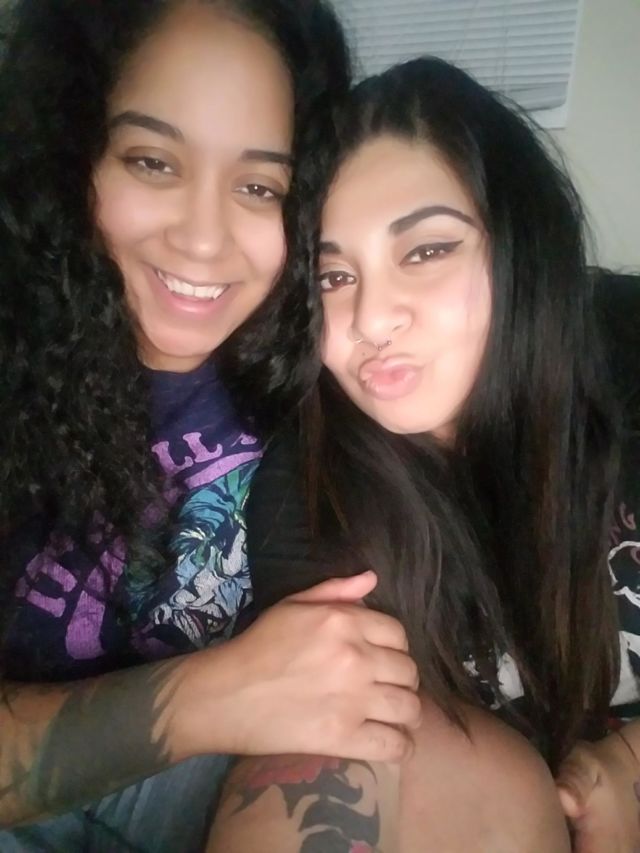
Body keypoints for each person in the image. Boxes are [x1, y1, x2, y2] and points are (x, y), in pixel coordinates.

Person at [0, 2, 422, 850]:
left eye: (259, 186)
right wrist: (208, 695)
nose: (203, 238)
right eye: (153, 161)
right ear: (70, 155)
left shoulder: (316, 368)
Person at [207, 57, 640, 852]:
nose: (372, 318)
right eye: (334, 275)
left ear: (520, 245)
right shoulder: (310, 487)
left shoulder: (625, 346)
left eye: (426, 251)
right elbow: (348, 746)